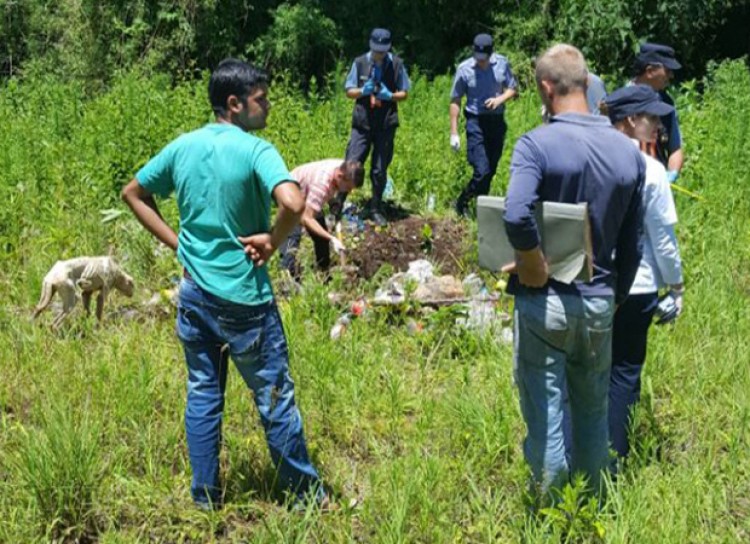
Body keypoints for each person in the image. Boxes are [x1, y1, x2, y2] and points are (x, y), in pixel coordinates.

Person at [121, 58, 326, 510]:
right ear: (234, 104)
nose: (268, 106)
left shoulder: (183, 146)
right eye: (261, 99)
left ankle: (205, 499)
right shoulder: (256, 150)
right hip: (245, 300)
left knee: (203, 393)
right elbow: (294, 202)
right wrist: (273, 240)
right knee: (274, 397)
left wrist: (179, 244)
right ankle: (306, 499)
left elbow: (133, 193)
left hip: (194, 294)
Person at [503, 44, 645, 501]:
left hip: (545, 304)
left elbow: (515, 214)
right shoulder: (628, 153)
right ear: (585, 84)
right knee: (592, 414)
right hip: (600, 300)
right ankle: (592, 509)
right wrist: (616, 296)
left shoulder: (536, 144)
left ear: (547, 88)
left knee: (546, 417)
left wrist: (532, 263)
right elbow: (633, 241)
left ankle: (548, 517)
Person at [602, 85, 685, 461]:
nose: (658, 126)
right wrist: (676, 286)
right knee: (623, 373)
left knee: (586, 374)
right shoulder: (651, 170)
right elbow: (662, 239)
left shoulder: (590, 160)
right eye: (651, 118)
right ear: (630, 120)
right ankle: (614, 464)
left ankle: (579, 462)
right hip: (638, 286)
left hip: (591, 283)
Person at [344, 28, 410, 226]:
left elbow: (404, 93)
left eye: (382, 51)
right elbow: (349, 90)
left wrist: (390, 96)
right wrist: (362, 91)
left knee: (380, 169)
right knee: (352, 162)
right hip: (362, 122)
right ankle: (338, 203)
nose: (379, 54)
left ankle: (375, 207)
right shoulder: (359, 62)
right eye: (376, 50)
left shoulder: (396, 64)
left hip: (385, 123)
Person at [450, 33, 518, 217]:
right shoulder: (464, 69)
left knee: (491, 170)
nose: (480, 61)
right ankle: (462, 201)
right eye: (477, 57)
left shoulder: (502, 64)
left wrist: (499, 99)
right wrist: (454, 132)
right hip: (475, 122)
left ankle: (480, 208)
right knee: (482, 169)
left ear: (491, 53)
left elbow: (512, 88)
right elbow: (455, 99)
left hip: (496, 121)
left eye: (484, 58)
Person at [279, 159, 364, 279]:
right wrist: (332, 238)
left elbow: (327, 190)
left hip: (308, 194)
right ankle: (286, 276)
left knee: (321, 238)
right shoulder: (320, 185)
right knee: (293, 235)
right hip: (289, 193)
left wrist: (332, 202)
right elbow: (307, 218)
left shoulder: (342, 167)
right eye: (348, 187)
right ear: (340, 176)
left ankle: (324, 273)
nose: (349, 191)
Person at [631, 43, 684, 183]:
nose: (671, 75)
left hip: (657, 186)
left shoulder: (667, 104)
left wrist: (671, 174)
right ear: (650, 71)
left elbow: (675, 149)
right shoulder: (620, 103)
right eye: (667, 70)